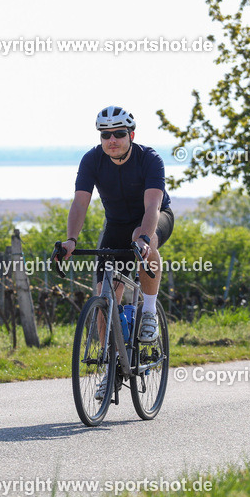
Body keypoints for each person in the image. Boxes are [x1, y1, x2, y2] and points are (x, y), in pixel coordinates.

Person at [61, 106, 174, 397]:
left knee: (140, 238)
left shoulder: (149, 159)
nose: (112, 140)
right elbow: (80, 203)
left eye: (119, 134)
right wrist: (71, 240)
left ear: (131, 135)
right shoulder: (92, 160)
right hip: (115, 225)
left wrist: (145, 238)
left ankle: (148, 312)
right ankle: (111, 369)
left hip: (155, 218)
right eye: (106, 135)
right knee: (104, 297)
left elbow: (153, 205)